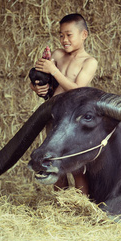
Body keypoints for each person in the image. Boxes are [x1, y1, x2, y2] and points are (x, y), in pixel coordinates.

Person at [30, 13, 98, 195]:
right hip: (54, 115)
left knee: (76, 166)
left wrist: (54, 70)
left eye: (69, 35)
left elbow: (77, 89)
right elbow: (43, 79)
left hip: (73, 121)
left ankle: (81, 205)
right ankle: (61, 205)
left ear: (83, 35)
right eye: (61, 35)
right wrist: (38, 87)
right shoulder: (58, 55)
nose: (64, 39)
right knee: (53, 161)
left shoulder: (90, 62)